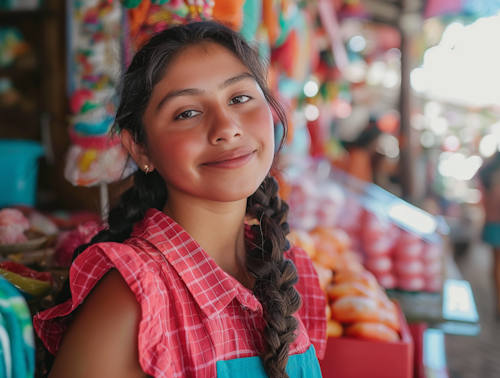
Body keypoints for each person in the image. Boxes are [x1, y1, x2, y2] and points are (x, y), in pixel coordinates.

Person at [34, 22, 326, 377]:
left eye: (239, 98)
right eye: (187, 113)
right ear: (139, 148)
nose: (226, 128)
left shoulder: (287, 272)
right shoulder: (134, 301)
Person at [478, 151, 500, 319]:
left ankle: (498, 303)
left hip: (492, 223)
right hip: (495, 223)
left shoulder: (489, 171)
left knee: (496, 265)